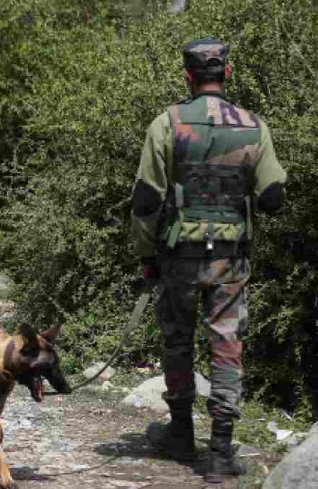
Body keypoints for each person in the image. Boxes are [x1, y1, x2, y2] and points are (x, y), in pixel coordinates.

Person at [131, 38, 287, 483]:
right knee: (226, 346)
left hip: (180, 258)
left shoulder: (168, 123)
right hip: (231, 261)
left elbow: (146, 198)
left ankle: (181, 435)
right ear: (228, 73)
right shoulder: (254, 126)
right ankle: (220, 453)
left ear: (188, 76)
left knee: (177, 342)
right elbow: (273, 198)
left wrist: (146, 255)